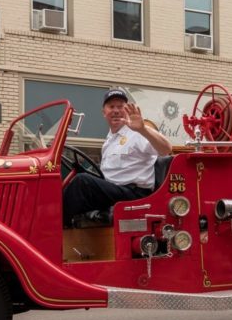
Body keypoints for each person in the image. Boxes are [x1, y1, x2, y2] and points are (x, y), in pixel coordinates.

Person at [63, 88, 172, 226]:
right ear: (104, 112)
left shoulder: (137, 132)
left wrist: (143, 129)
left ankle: (51, 230)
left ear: (126, 110)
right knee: (70, 186)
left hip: (134, 194)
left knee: (82, 183)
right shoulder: (108, 142)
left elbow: (166, 149)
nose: (116, 110)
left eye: (120, 106)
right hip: (113, 192)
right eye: (111, 106)